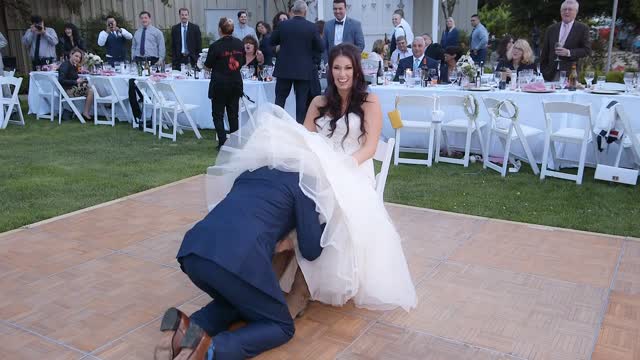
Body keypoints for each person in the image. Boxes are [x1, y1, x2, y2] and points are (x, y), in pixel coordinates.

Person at [208, 42, 416, 317]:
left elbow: (369, 147)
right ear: (329, 71)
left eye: (348, 68)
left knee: (334, 209)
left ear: (356, 71)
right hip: (318, 168)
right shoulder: (319, 102)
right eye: (337, 68)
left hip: (353, 170)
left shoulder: (370, 101)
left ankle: (300, 291)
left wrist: (341, 167)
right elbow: (302, 142)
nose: (342, 74)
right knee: (287, 201)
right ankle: (262, 282)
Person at [161, 167, 326, 360]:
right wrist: (311, 233)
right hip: (237, 260)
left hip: (194, 253)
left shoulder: (249, 173)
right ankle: (210, 350)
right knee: (282, 326)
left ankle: (186, 332)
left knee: (235, 301)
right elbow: (312, 250)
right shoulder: (302, 183)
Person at [270, 0, 323, 124]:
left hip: (284, 68)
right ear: (305, 11)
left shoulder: (283, 25)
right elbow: (320, 47)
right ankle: (301, 128)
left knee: (280, 100)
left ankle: (275, 127)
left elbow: (272, 41)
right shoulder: (311, 27)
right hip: (303, 70)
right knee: (301, 103)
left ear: (293, 11)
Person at [204, 17, 244, 150]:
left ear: (220, 30)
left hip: (220, 83)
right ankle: (234, 142)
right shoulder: (239, 44)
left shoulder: (215, 46)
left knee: (218, 114)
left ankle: (222, 141)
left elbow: (208, 65)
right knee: (233, 114)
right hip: (235, 82)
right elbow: (242, 61)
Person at [540, 0, 591, 81]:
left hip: (570, 74)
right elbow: (545, 52)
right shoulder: (551, 29)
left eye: (570, 9)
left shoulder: (582, 28)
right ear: (560, 12)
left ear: (576, 12)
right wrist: (544, 70)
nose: (566, 12)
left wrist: (568, 52)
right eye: (564, 9)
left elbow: (587, 50)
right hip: (550, 74)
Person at [57, 48, 94, 121]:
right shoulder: (65, 65)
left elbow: (74, 77)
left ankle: (85, 112)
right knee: (91, 91)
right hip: (67, 91)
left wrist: (81, 81)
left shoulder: (73, 65)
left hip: (71, 88)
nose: (78, 59)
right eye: (76, 56)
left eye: (79, 57)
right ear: (71, 54)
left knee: (90, 86)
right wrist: (76, 82)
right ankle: (85, 113)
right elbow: (61, 80)